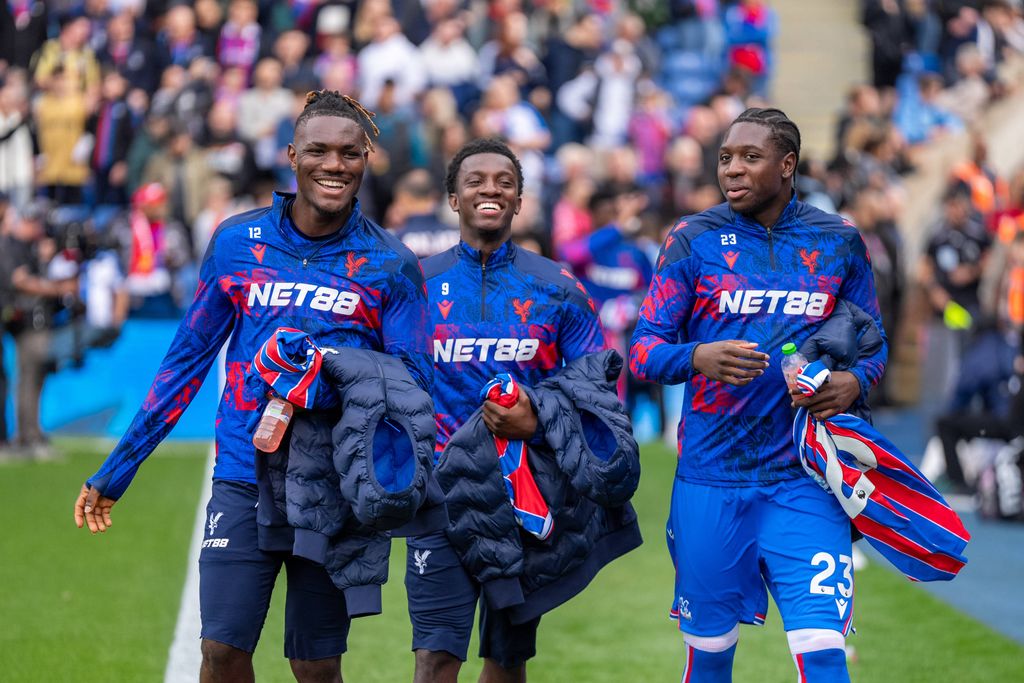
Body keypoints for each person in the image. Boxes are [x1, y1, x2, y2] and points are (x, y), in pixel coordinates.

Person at [73, 89, 432, 683]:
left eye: (349, 154)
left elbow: (415, 385)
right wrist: (120, 468)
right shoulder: (238, 241)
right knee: (220, 652)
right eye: (318, 150)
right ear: (291, 155)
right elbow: (187, 359)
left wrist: (333, 371)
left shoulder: (391, 262)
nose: (334, 166)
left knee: (314, 665)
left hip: (333, 485)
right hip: (244, 469)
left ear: (367, 160)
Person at [629, 108, 887, 682]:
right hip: (710, 479)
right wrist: (697, 356)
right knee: (711, 658)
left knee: (824, 653)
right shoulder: (691, 240)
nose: (733, 170)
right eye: (725, 158)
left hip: (807, 479)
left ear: (787, 164)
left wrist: (852, 383)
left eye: (750, 157)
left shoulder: (839, 241)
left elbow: (873, 346)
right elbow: (643, 350)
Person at [407, 138, 636, 683]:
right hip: (439, 493)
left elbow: (596, 387)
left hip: (523, 498)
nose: (490, 189)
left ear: (519, 200)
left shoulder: (558, 287)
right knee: (435, 658)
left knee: (507, 663)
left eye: (504, 182)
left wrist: (538, 417)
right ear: (454, 198)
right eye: (476, 181)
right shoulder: (414, 285)